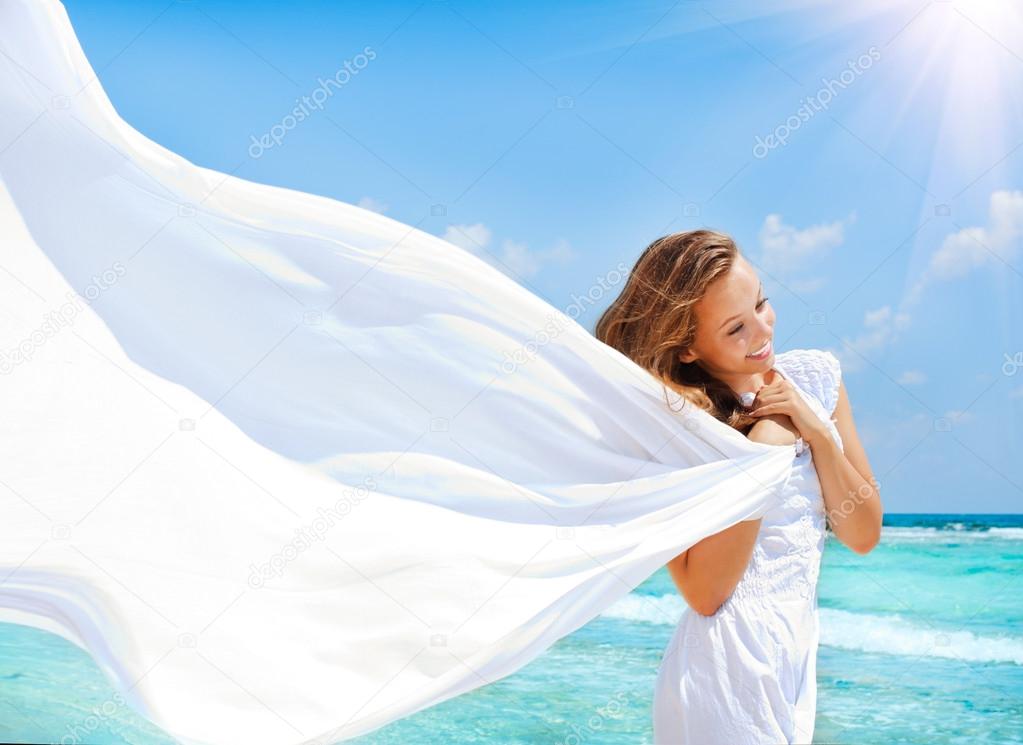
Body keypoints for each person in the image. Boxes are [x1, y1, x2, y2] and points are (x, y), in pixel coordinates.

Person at [595, 230, 883, 743]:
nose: (763, 331)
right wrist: (769, 443)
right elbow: (705, 592)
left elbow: (862, 532)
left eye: (761, 303)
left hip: (794, 657)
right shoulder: (681, 428)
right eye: (736, 328)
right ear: (686, 347)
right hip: (723, 673)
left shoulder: (814, 379)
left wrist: (813, 429)